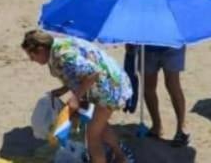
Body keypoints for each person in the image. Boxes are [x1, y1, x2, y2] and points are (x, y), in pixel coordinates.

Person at [22, 30, 133, 163]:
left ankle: (119, 157)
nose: (31, 60)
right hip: (109, 82)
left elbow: (93, 73)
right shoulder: (58, 45)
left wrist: (76, 97)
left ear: (41, 50)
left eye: (32, 56)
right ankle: (121, 157)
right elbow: (77, 74)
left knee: (93, 137)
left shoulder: (64, 56)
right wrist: (63, 90)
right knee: (100, 127)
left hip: (109, 88)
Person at [137, 45, 189, 147]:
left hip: (172, 45)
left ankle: (180, 129)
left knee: (172, 85)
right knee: (148, 87)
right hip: (148, 46)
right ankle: (156, 126)